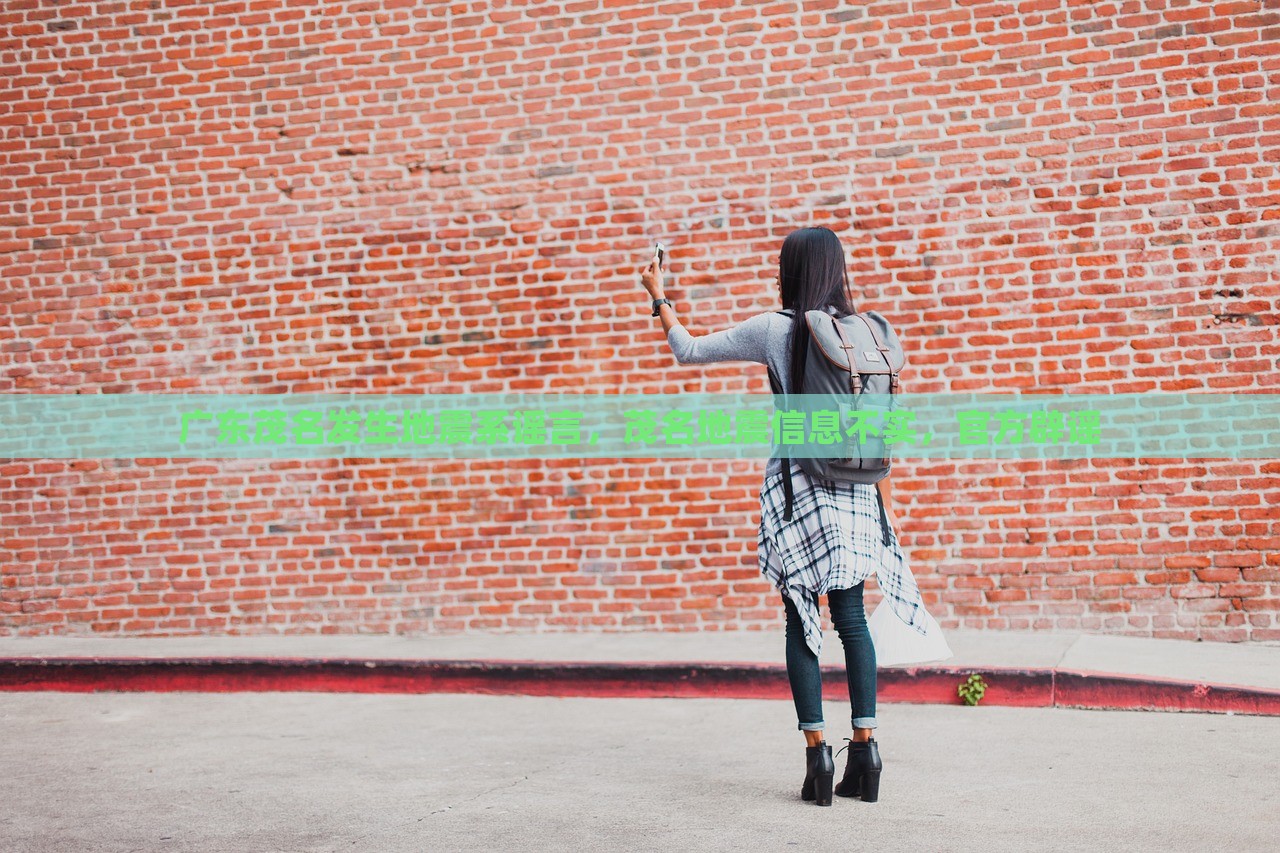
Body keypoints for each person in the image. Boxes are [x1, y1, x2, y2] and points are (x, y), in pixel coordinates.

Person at [639, 225, 933, 807]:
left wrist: (659, 295)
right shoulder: (865, 332)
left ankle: (818, 758)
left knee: (802, 620)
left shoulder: (776, 328)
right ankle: (867, 751)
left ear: (788, 269)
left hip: (799, 491)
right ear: (838, 269)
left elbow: (689, 349)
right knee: (852, 620)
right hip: (856, 493)